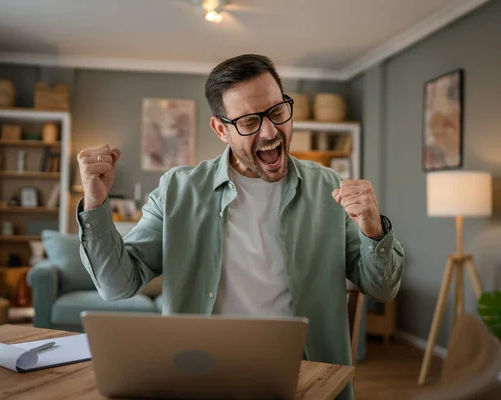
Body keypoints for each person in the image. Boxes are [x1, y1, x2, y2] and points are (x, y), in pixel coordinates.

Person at [76, 54, 404, 400]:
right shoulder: (178, 190)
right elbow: (117, 285)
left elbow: (382, 288)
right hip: (198, 377)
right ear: (221, 129)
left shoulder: (328, 187)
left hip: (303, 377)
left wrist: (373, 229)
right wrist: (96, 204)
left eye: (277, 112)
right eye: (249, 121)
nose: (270, 131)